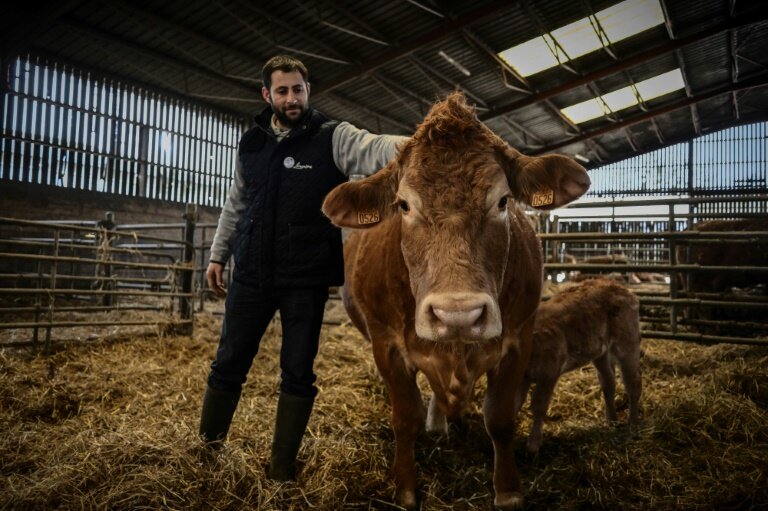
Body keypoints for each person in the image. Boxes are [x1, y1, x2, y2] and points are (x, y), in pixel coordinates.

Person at [199, 55, 407, 481]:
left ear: (308, 91)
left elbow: (377, 147)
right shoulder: (251, 143)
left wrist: (422, 142)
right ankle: (206, 451)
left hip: (305, 279)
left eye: (298, 90)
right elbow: (237, 203)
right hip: (252, 273)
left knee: (297, 373)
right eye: (282, 91)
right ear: (266, 95)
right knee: (228, 363)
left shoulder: (333, 137)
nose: (291, 98)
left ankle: (280, 468)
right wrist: (219, 254)